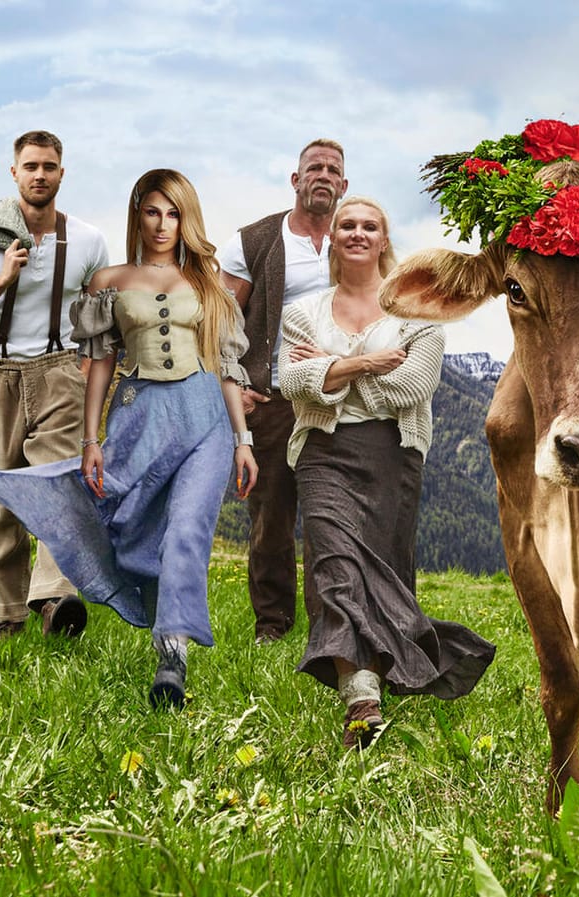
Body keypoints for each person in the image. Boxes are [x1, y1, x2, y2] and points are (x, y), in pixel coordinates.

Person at [0, 168, 258, 707]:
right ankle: (74, 595)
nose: (162, 224)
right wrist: (89, 439)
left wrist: (243, 440)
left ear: (186, 218)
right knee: (128, 521)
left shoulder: (209, 285)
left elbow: (225, 365)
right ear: (137, 214)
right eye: (152, 211)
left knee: (188, 531)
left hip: (205, 420)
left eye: (173, 213)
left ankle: (172, 656)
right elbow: (99, 365)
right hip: (140, 414)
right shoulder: (109, 281)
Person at [278, 197, 494, 749]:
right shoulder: (303, 312)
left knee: (383, 574)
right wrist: (367, 363)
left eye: (368, 226)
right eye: (346, 225)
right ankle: (362, 701)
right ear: (332, 239)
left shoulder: (418, 313)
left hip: (393, 455)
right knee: (335, 565)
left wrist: (328, 369)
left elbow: (412, 389)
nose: (356, 232)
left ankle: (400, 659)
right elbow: (290, 383)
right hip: (323, 450)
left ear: (383, 239)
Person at [0, 130, 110, 641]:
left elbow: (100, 316)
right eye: (30, 166)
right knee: (5, 499)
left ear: (62, 172)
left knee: (60, 489)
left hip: (59, 372)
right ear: (15, 173)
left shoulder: (89, 241)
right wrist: (0, 281)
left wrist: (88, 369)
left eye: (49, 166)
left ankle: (55, 601)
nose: (40, 175)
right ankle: (9, 616)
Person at [218, 139, 347, 643]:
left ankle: (329, 621)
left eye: (333, 169)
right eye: (313, 167)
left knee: (331, 515)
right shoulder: (254, 241)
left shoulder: (354, 237)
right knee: (272, 516)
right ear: (296, 181)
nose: (323, 175)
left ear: (343, 184)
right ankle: (272, 623)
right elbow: (221, 324)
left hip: (336, 398)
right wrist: (234, 387)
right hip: (272, 399)